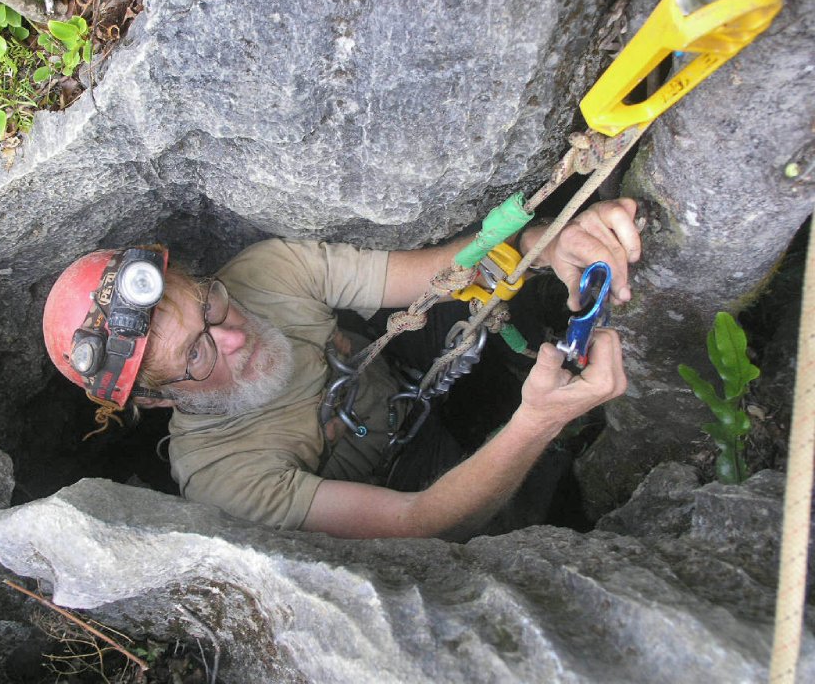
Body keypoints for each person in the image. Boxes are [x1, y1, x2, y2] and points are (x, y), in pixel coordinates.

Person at [43, 199, 641, 540]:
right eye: (196, 355)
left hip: (405, 387)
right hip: (398, 483)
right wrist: (537, 423)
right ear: (155, 402)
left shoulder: (264, 275)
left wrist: (546, 244)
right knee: (517, 528)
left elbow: (440, 275)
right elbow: (417, 521)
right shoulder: (222, 475)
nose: (232, 334)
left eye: (207, 304)